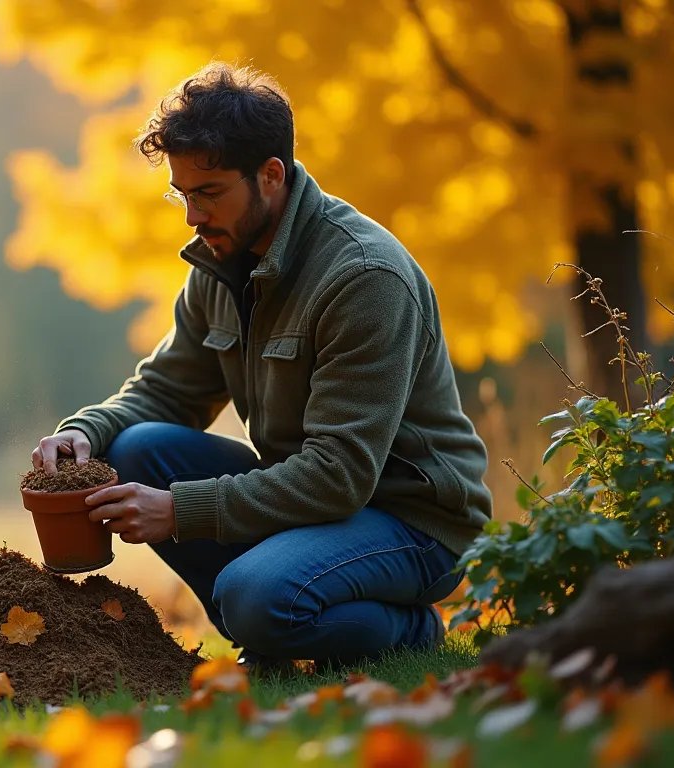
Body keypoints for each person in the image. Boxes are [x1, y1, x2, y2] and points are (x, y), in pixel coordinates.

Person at [30, 63, 492, 671]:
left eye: (208, 193)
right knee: (136, 445)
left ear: (271, 175)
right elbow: (167, 390)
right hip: (314, 505)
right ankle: (279, 620)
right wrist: (84, 431)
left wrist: (179, 511)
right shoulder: (221, 260)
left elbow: (339, 475)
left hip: (412, 521)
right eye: (182, 194)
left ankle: (406, 631)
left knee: (253, 596)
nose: (192, 216)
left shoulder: (364, 277)